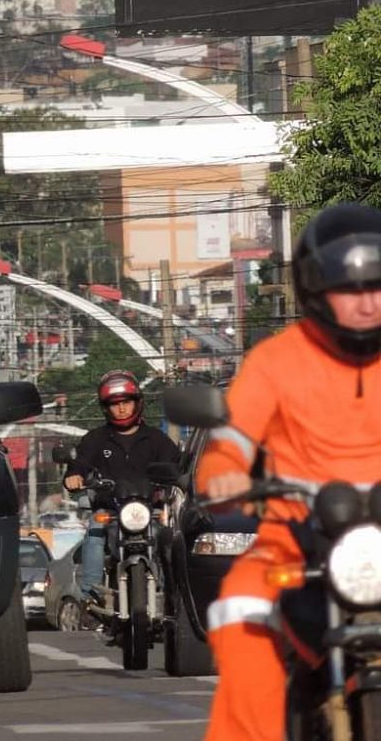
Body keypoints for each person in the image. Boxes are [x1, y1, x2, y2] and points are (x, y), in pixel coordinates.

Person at [197, 202, 381, 740]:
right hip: (294, 542)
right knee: (239, 611)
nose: (368, 303)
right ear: (315, 291)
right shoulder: (274, 362)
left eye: (378, 285)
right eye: (350, 290)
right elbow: (228, 446)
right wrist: (225, 476)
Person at [62, 369, 180, 617]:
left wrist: (181, 478)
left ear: (138, 403)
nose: (122, 409)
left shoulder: (157, 439)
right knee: (94, 535)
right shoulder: (95, 439)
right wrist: (74, 475)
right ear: (106, 408)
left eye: (126, 402)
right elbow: (79, 464)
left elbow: (175, 465)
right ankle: (89, 596)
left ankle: (175, 595)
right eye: (115, 405)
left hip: (150, 510)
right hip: (110, 511)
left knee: (169, 539)